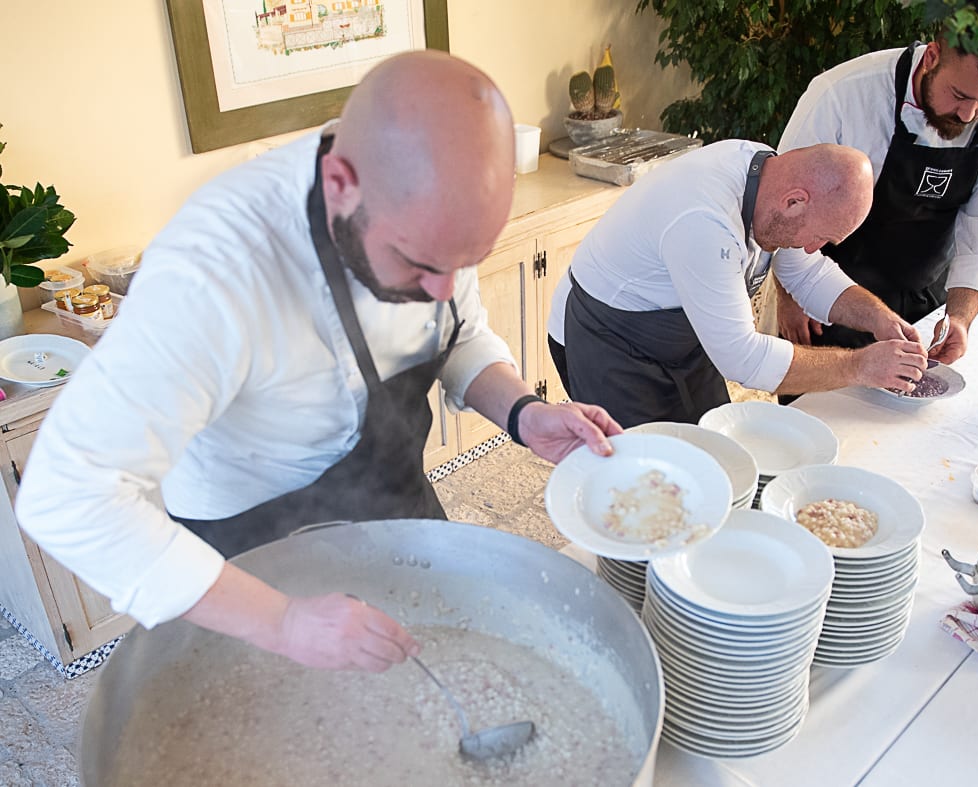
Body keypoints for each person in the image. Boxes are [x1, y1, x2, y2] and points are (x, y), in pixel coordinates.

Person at [15, 51, 620, 674]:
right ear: (339, 187)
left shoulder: (426, 211)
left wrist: (523, 413)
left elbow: (457, 332)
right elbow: (65, 495)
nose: (444, 287)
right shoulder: (213, 273)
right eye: (420, 264)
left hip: (391, 499)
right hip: (248, 545)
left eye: (462, 262)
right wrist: (285, 622)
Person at [546, 140, 928, 429]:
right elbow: (742, 358)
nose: (814, 248)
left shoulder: (771, 179)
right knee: (648, 482)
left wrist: (877, 317)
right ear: (795, 202)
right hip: (609, 339)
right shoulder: (704, 222)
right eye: (820, 237)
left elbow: (807, 272)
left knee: (713, 451)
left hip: (683, 334)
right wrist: (859, 366)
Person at [773, 35, 978, 363]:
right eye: (958, 95)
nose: (968, 115)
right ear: (932, 57)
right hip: (828, 298)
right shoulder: (843, 94)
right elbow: (785, 213)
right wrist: (790, 296)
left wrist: (959, 318)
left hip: (926, 300)